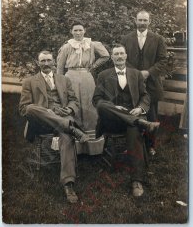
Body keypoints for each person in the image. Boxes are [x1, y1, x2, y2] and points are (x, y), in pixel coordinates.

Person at [19, 50, 89, 204]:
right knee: (31, 108)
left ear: (53, 62)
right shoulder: (29, 81)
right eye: (42, 61)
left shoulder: (64, 80)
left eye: (48, 60)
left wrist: (70, 109)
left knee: (66, 136)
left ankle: (68, 183)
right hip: (41, 123)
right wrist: (47, 111)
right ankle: (71, 128)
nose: (46, 64)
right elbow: (23, 109)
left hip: (63, 117)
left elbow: (74, 101)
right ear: (38, 63)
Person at [92, 44, 160, 197]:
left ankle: (136, 180)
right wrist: (115, 107)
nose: (119, 57)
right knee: (102, 105)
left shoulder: (136, 74)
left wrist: (141, 108)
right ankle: (141, 122)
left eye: (122, 53)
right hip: (112, 121)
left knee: (133, 128)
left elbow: (145, 96)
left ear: (126, 56)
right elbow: (96, 99)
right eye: (116, 54)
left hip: (133, 115)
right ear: (112, 57)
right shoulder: (103, 75)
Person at [56, 21, 110, 155]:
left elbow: (106, 55)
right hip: (71, 77)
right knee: (74, 106)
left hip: (87, 76)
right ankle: (75, 146)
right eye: (75, 30)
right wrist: (60, 83)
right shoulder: (67, 46)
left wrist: (94, 66)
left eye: (80, 30)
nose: (78, 33)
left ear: (84, 30)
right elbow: (60, 67)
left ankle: (92, 147)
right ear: (71, 32)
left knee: (89, 106)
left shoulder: (91, 44)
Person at [121, 10, 167, 154]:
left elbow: (163, 60)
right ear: (135, 21)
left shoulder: (158, 39)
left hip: (152, 84)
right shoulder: (126, 39)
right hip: (132, 83)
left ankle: (150, 145)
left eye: (145, 20)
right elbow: (123, 59)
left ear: (149, 22)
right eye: (139, 20)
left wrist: (148, 72)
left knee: (151, 116)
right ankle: (131, 146)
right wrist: (136, 74)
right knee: (132, 113)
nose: (142, 23)